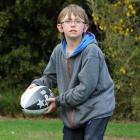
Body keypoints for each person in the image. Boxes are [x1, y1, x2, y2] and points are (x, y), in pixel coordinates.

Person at [28, 4, 115, 140]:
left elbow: (85, 89)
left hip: (96, 108)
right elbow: (50, 77)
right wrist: (37, 85)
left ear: (85, 27)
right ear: (60, 27)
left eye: (78, 21)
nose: (73, 25)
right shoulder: (58, 51)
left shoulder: (91, 52)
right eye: (68, 21)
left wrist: (58, 101)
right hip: (72, 111)